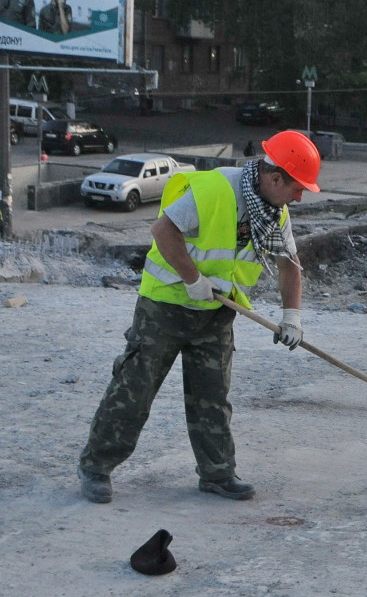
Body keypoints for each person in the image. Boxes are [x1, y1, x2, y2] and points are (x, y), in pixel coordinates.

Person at [77, 130, 323, 504]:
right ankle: (95, 467)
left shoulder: (274, 213)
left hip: (217, 312)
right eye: (297, 187)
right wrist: (192, 279)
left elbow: (289, 265)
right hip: (165, 307)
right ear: (275, 179)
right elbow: (162, 230)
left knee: (212, 397)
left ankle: (218, 474)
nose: (300, 196)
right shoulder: (215, 190)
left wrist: (292, 317)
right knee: (134, 389)